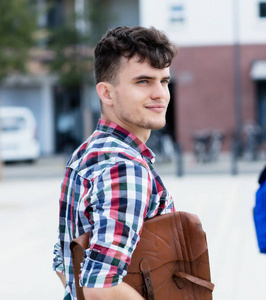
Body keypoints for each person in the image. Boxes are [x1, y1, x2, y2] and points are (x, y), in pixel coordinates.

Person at [52, 26, 178, 299]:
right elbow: (101, 287)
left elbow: (64, 263)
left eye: (164, 81)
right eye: (143, 81)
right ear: (106, 93)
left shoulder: (87, 152)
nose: (161, 94)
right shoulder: (124, 166)